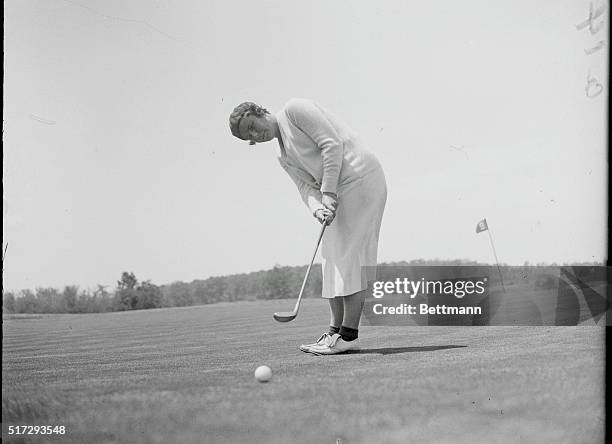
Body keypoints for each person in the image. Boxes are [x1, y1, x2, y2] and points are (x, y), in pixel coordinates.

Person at [229, 98, 387, 354]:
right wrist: (318, 207)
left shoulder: (294, 111)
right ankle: (334, 332)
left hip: (360, 178)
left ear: (259, 112)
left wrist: (328, 191)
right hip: (336, 190)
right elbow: (304, 186)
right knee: (331, 259)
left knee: (349, 258)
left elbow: (331, 144)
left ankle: (349, 336)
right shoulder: (281, 154)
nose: (257, 134)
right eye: (251, 137)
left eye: (253, 125)